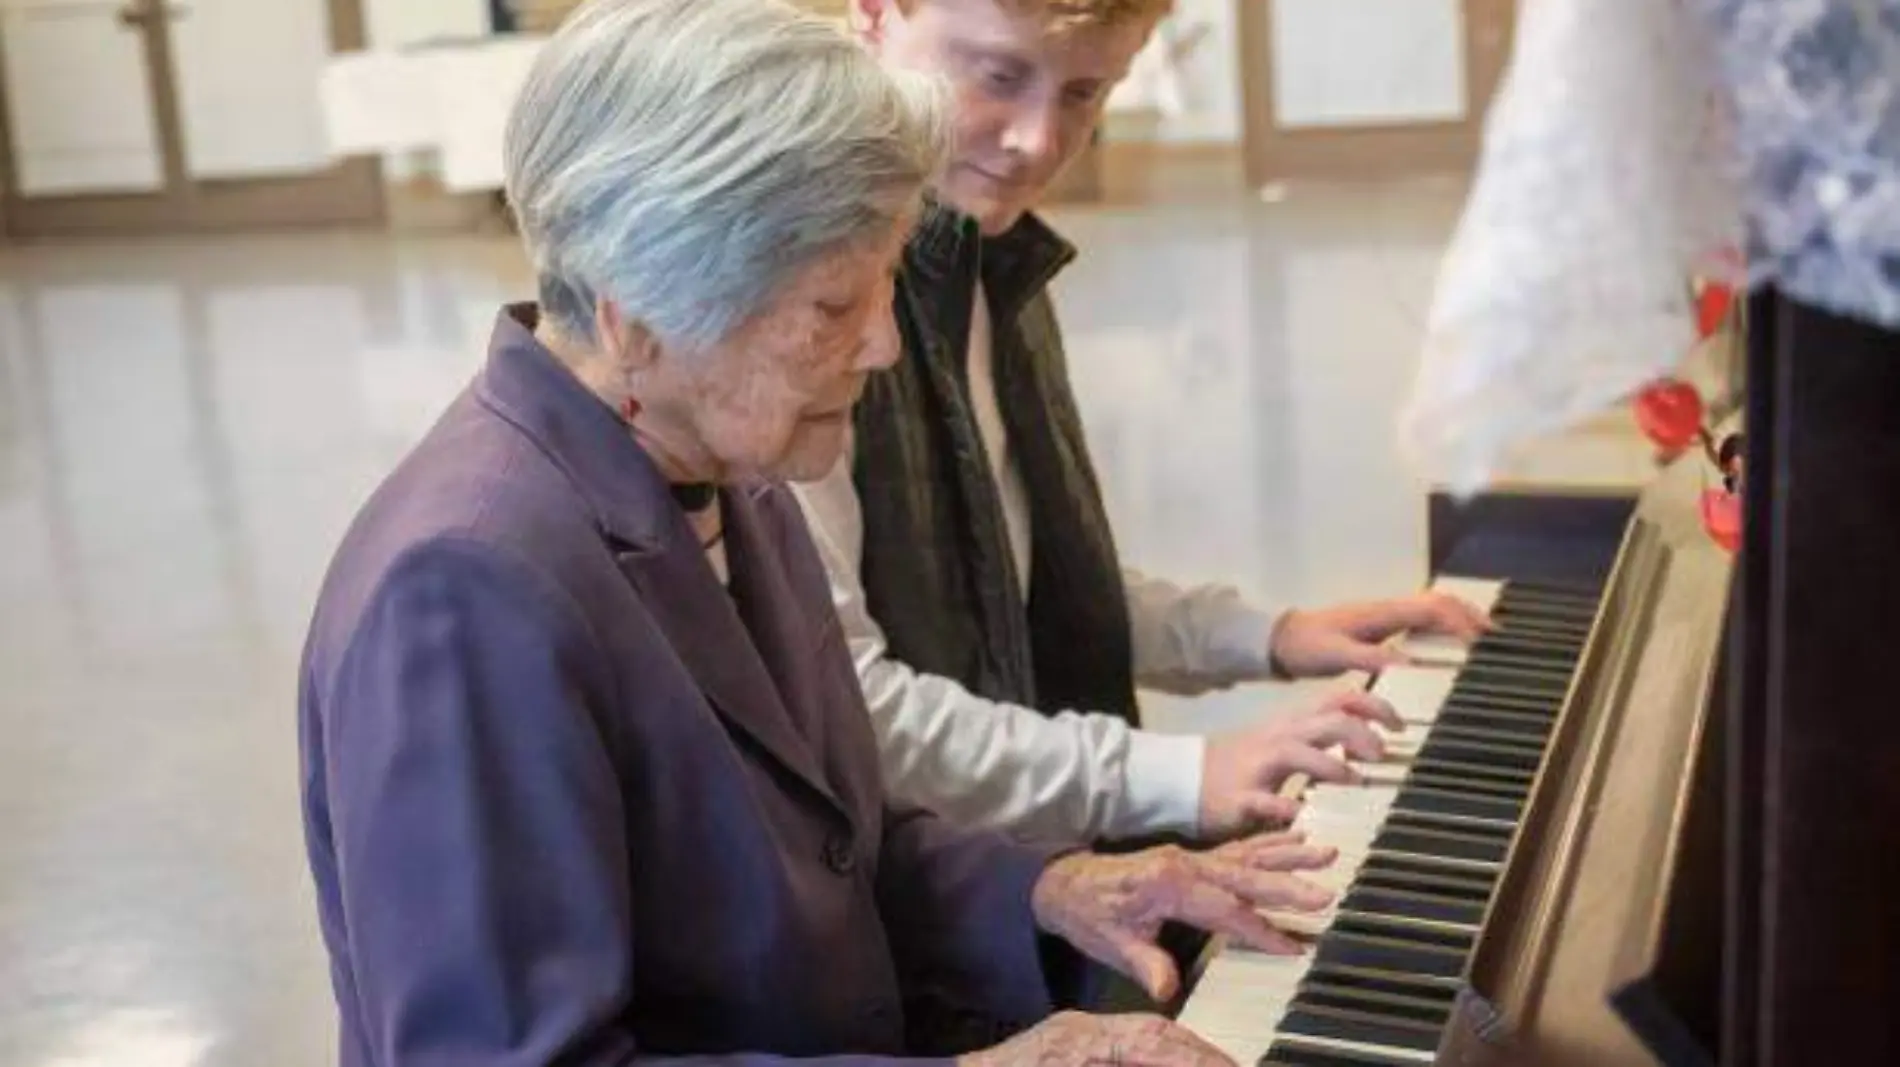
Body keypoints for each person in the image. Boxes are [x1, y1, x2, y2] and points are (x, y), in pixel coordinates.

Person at [297, 1, 1332, 1064]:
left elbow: (834, 845)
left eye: (884, 285)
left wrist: (1050, 886)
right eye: (833, 306)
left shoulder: (730, 471)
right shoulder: (467, 587)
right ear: (636, 314)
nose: (883, 344)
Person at [793, 0, 1491, 847]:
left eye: (1085, 93)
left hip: (1020, 853)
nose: (1038, 143)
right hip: (913, 901)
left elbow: (1028, 587)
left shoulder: (987, 254)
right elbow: (851, 708)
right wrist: (1181, 774)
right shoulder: (804, 297)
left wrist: (1267, 635)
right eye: (999, 77)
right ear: (874, 12)